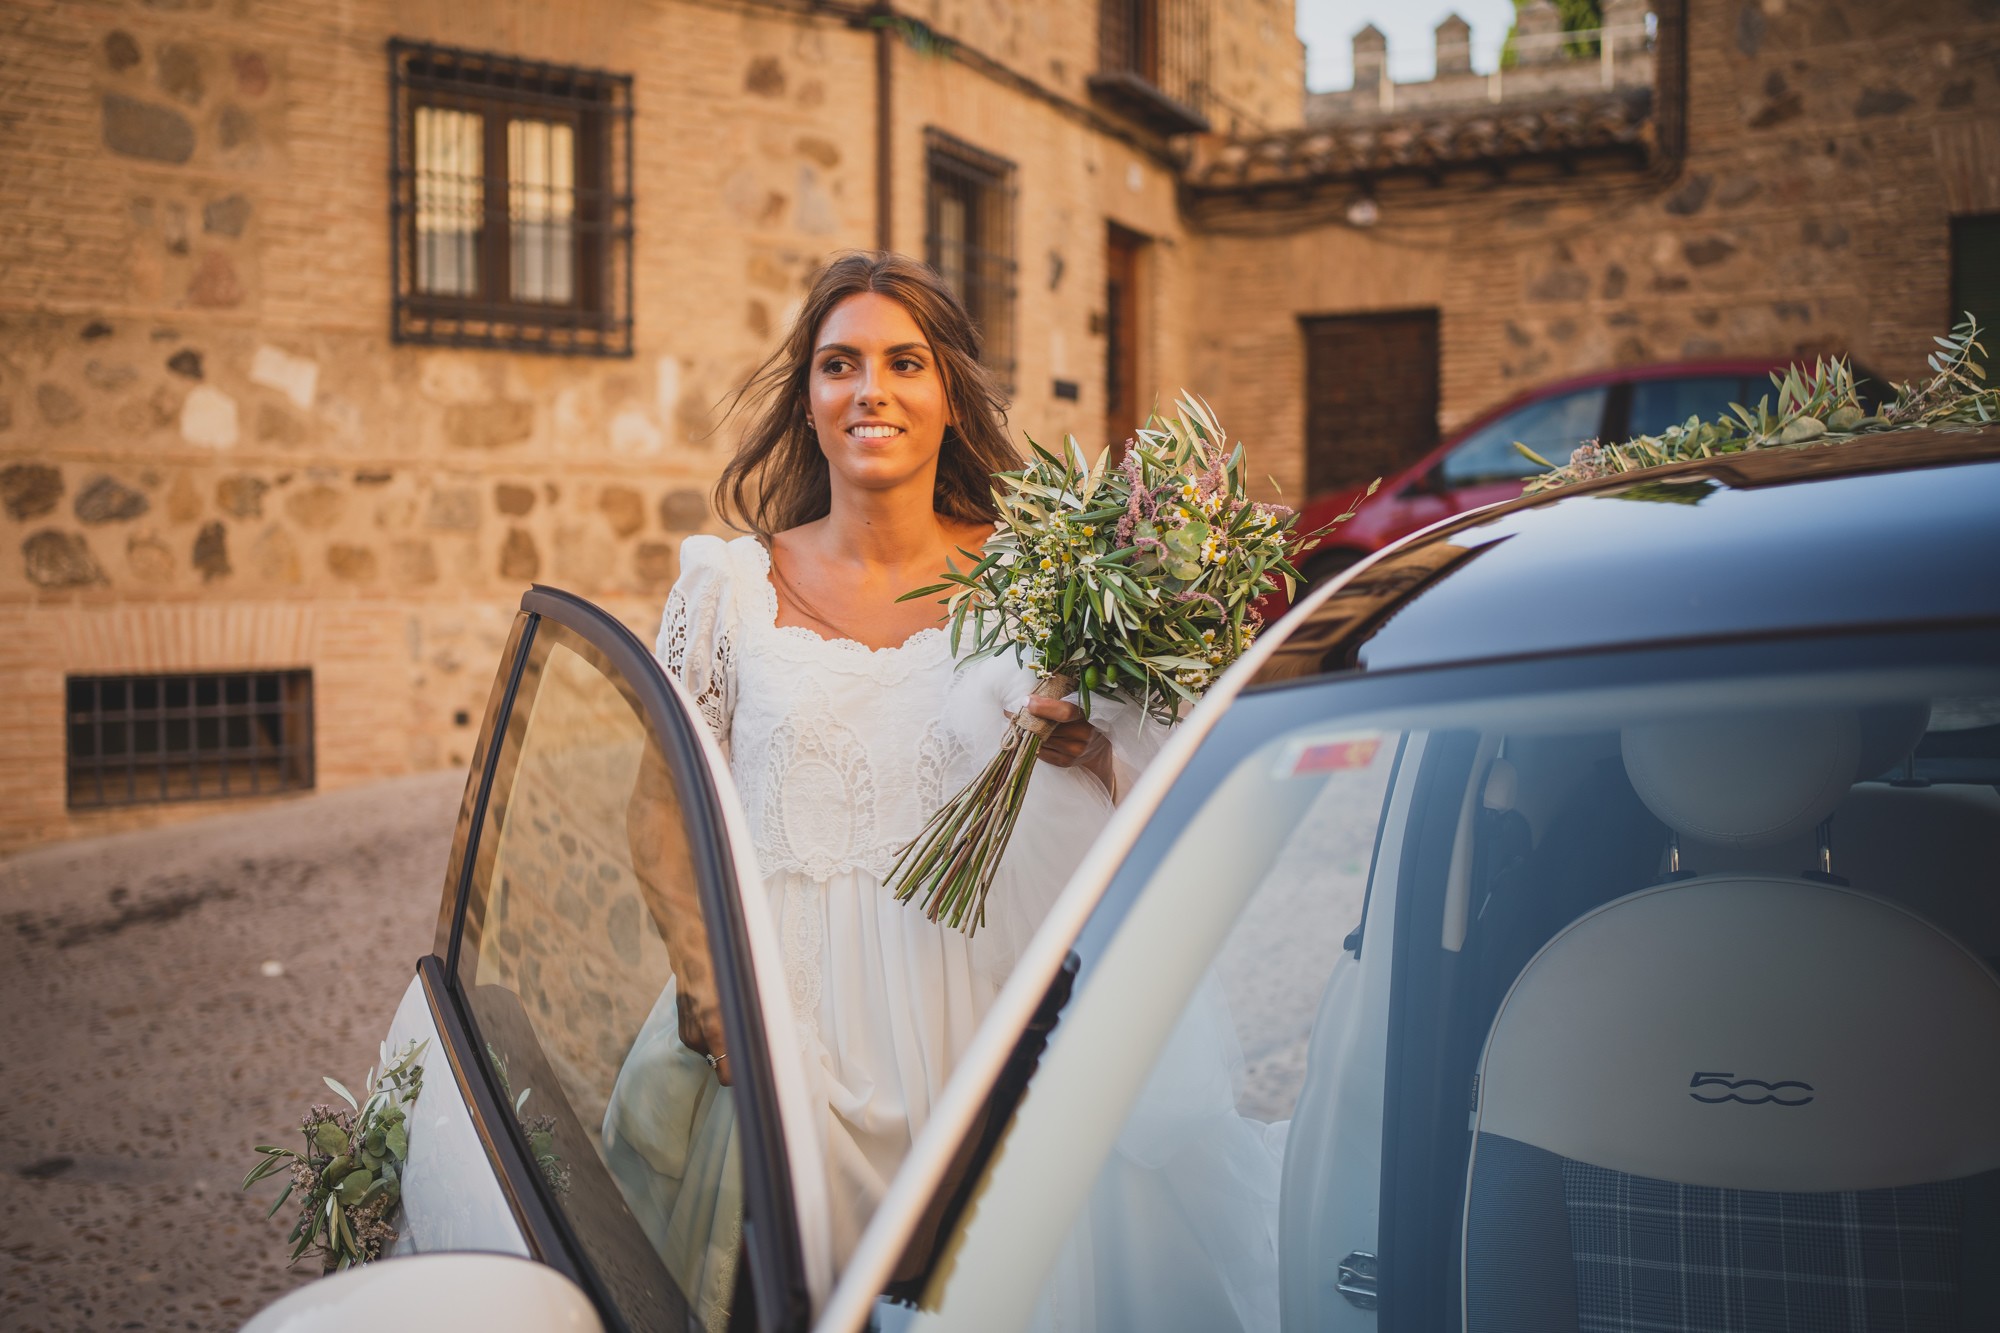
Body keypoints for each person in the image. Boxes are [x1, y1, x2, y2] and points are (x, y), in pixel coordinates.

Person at [603, 252, 1165, 1314]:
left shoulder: (1040, 582)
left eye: (904, 362)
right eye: (838, 365)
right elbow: (660, 810)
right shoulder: (725, 593)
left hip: (984, 1028)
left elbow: (1147, 788)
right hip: (782, 1039)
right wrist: (704, 983)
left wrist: (1086, 745)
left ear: (948, 395)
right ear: (807, 402)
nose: (871, 389)